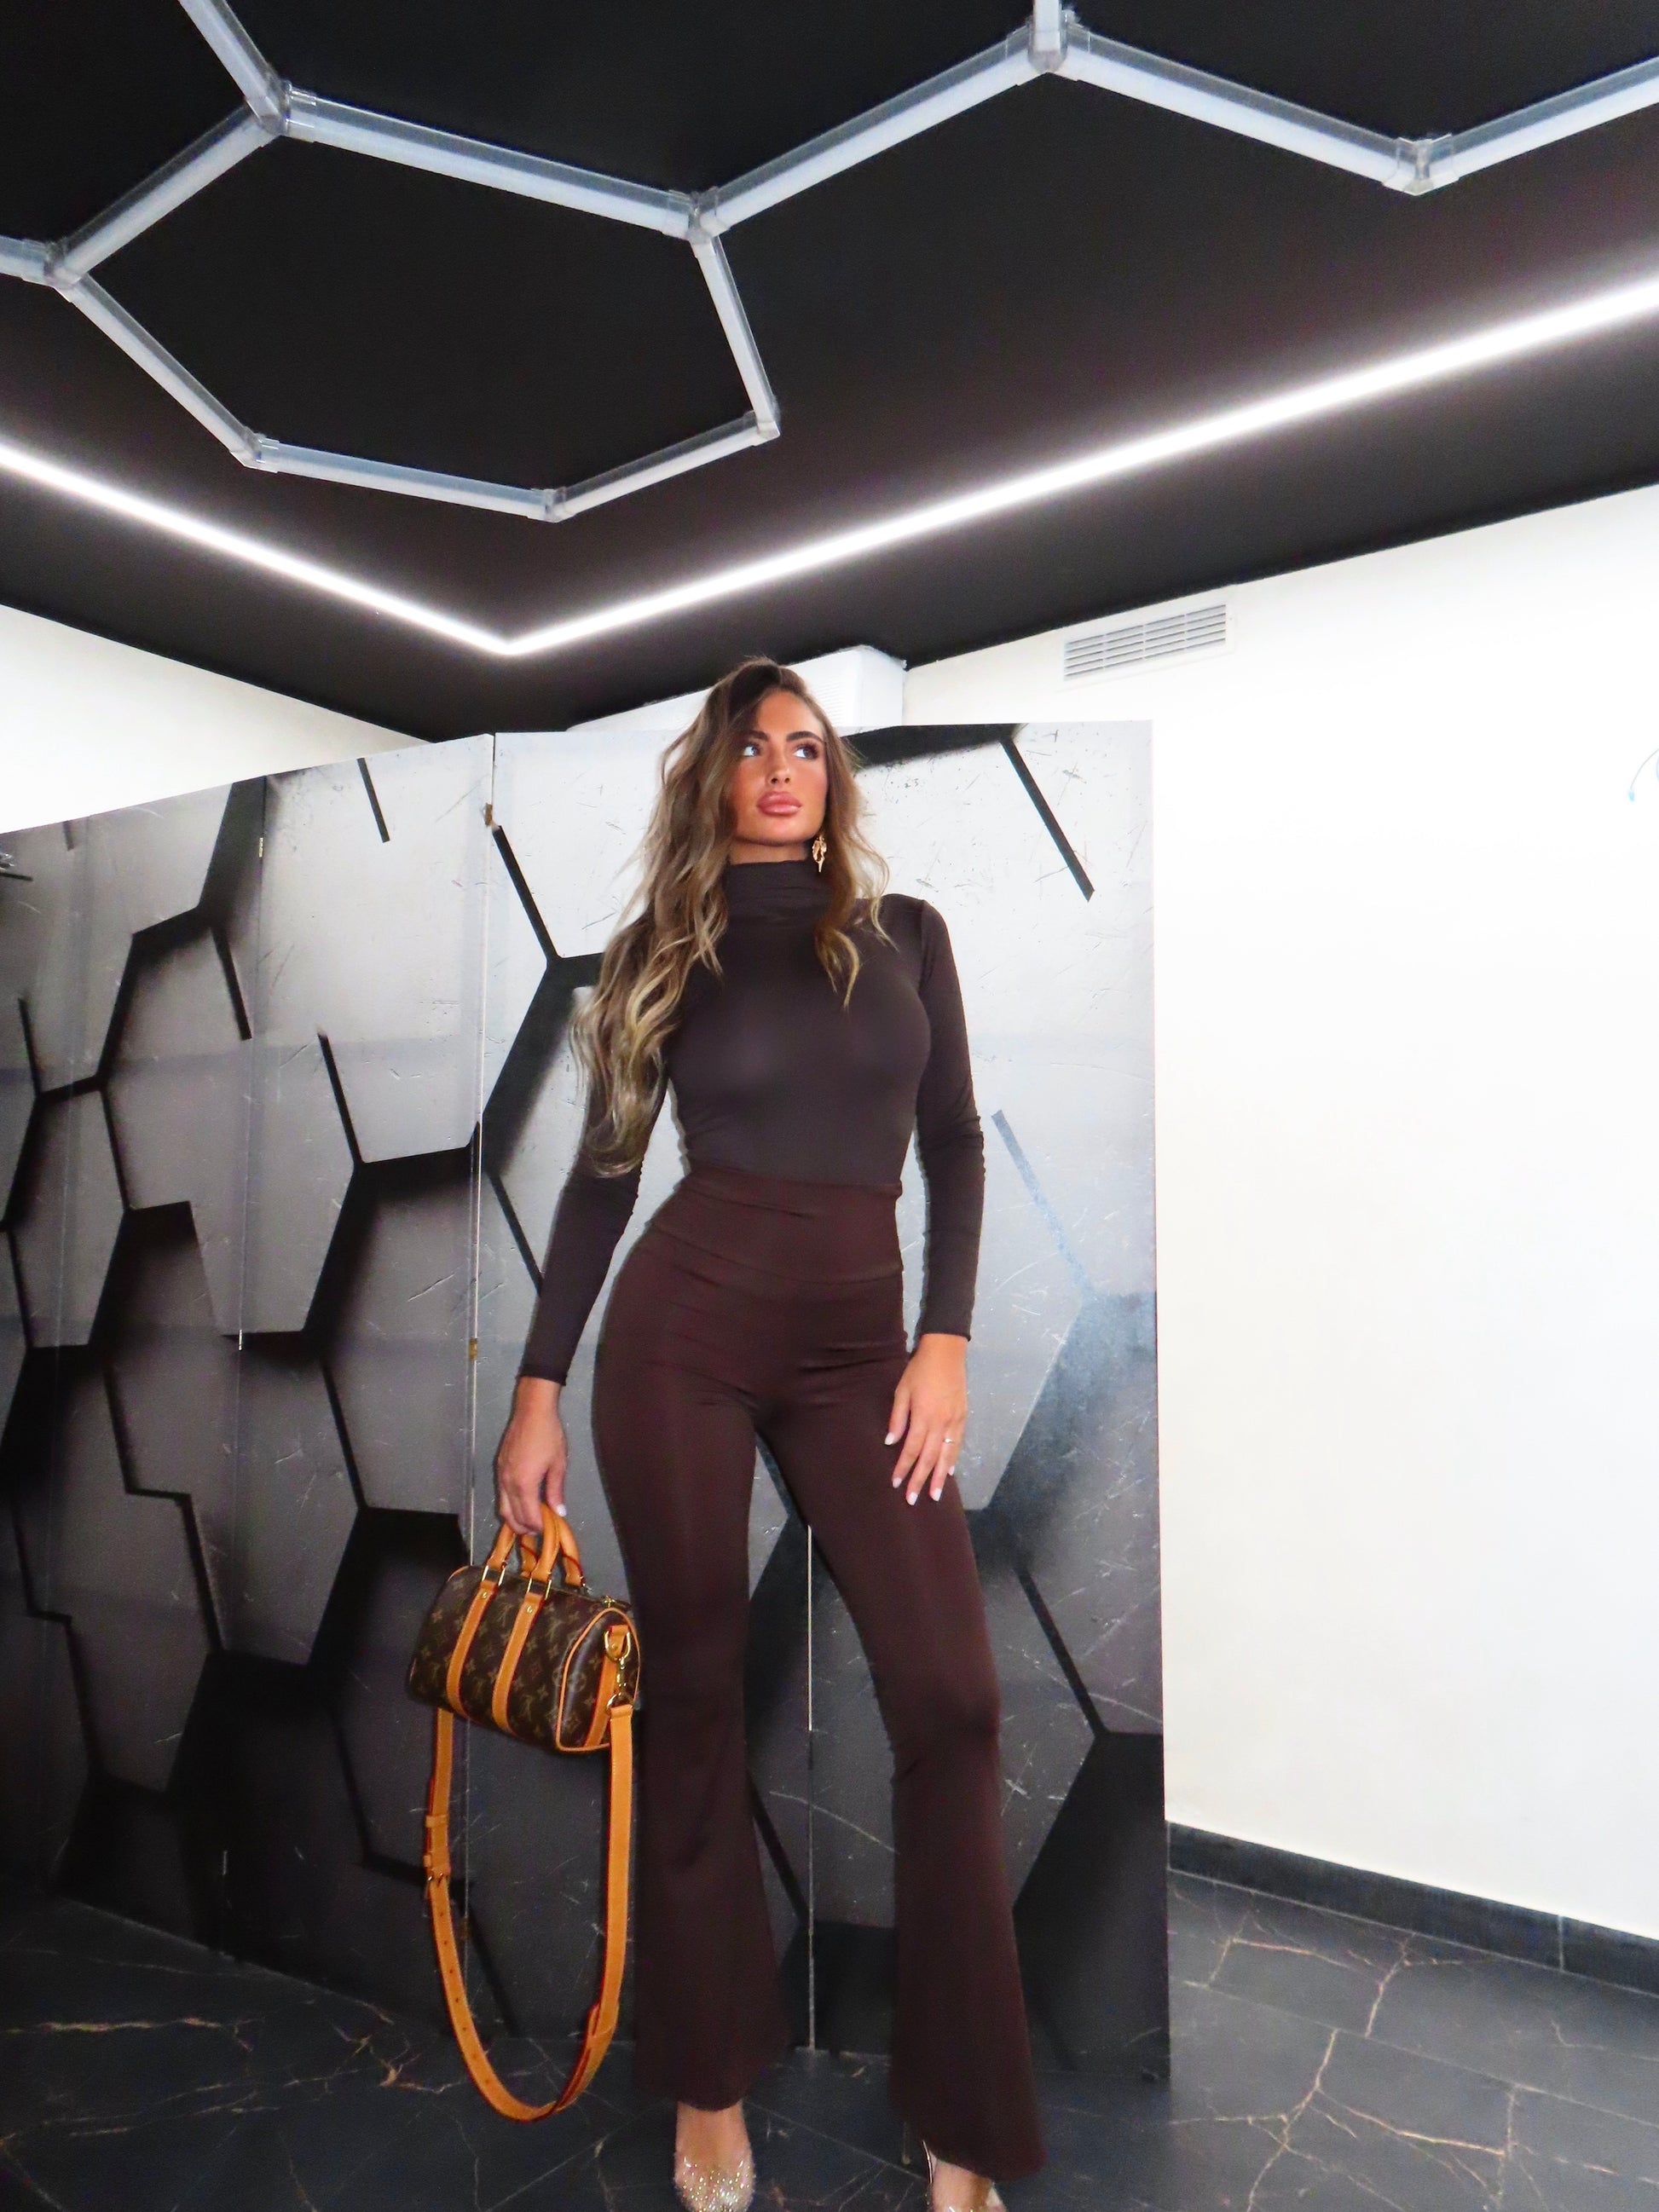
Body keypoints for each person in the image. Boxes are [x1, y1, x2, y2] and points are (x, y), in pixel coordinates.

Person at [494, 658, 1045, 2212]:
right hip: (684, 1338)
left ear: (831, 776)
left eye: (807, 745)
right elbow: (604, 1180)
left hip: (866, 1353)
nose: (785, 767)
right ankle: (709, 2078)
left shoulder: (904, 934)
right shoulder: (660, 952)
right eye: (755, 747)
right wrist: (536, 1389)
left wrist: (944, 1340)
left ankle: (960, 2111)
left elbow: (950, 1144)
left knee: (952, 1702)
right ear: (716, 778)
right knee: (692, 1697)